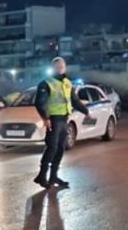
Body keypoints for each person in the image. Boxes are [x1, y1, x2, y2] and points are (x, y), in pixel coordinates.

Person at [33, 57, 91, 189]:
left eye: (62, 66)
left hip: (64, 119)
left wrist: (85, 111)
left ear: (65, 67)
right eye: (57, 66)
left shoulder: (67, 83)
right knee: (51, 148)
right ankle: (42, 176)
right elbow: (39, 103)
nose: (60, 68)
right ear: (53, 68)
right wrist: (45, 118)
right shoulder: (46, 83)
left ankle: (54, 176)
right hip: (53, 119)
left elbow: (74, 100)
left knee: (60, 148)